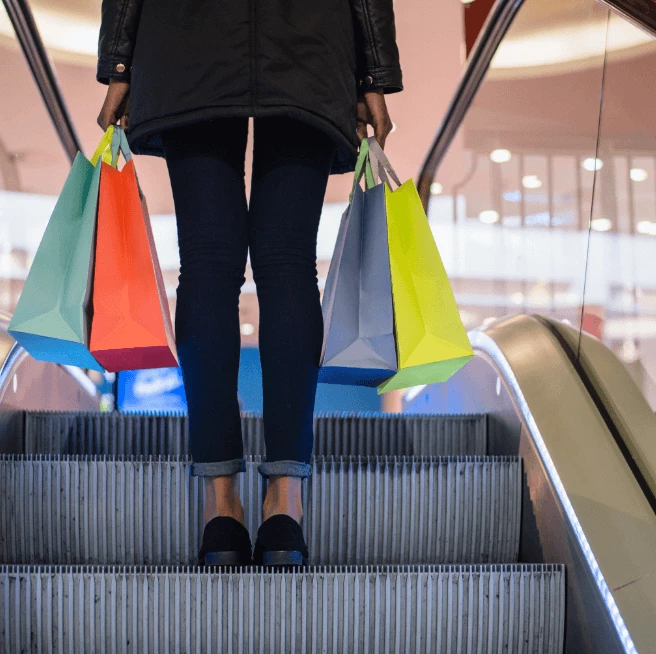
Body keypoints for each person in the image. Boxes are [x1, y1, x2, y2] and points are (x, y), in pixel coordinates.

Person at [96, 0, 403, 567]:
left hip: (188, 37)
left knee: (208, 266)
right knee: (288, 265)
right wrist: (373, 75)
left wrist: (119, 62)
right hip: (310, 40)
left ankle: (220, 511)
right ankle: (284, 506)